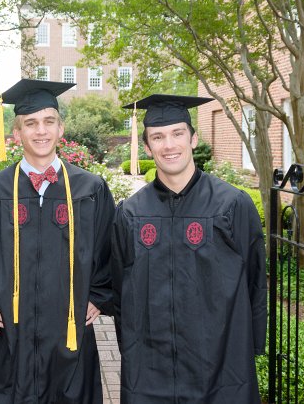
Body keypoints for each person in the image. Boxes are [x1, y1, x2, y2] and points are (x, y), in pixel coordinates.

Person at [0, 78, 115, 404]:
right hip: (15, 334)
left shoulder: (89, 189)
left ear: (60, 128)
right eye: (31, 123)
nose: (41, 131)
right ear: (17, 133)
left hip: (70, 331)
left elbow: (112, 248)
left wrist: (99, 296)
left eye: (48, 122)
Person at [112, 94, 267, 403]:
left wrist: (249, 346)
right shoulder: (130, 213)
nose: (169, 145)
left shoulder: (232, 204)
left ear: (193, 139)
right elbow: (120, 291)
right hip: (150, 366)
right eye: (158, 136)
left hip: (221, 365)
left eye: (177, 133)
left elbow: (255, 281)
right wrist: (130, 344)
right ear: (147, 147)